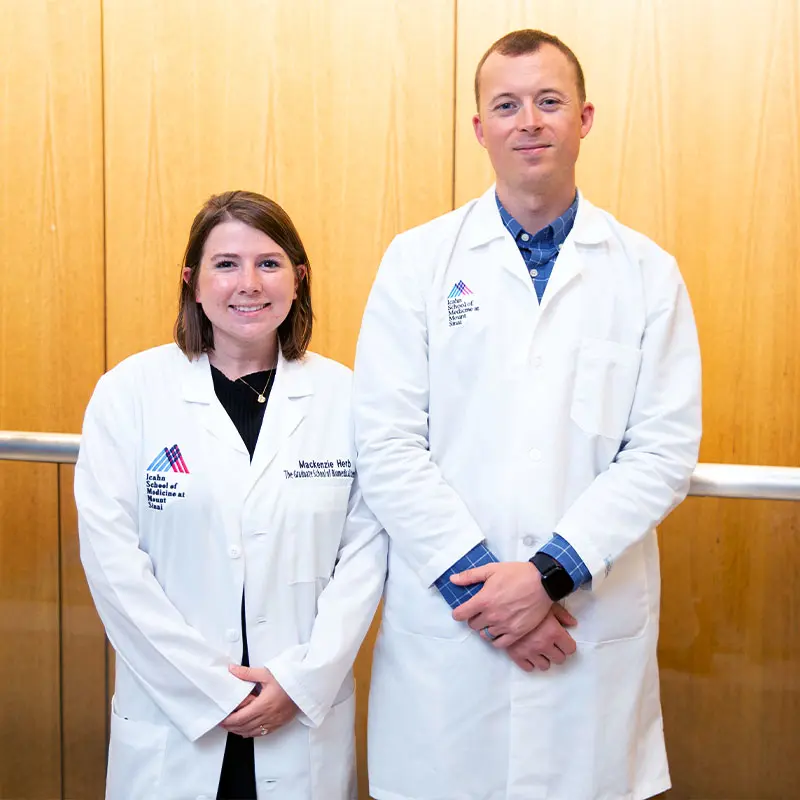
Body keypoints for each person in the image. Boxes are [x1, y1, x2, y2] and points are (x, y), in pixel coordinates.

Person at [353, 29, 701, 800]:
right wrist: (487, 598)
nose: (529, 120)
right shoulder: (417, 263)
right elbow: (385, 445)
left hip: (584, 629)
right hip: (453, 638)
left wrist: (548, 575)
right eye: (506, 105)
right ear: (480, 128)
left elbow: (663, 451)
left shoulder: (648, 274)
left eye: (549, 101)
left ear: (585, 117)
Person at [75, 190, 386, 799]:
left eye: (268, 264)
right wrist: (209, 691)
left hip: (299, 713)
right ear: (193, 282)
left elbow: (367, 554)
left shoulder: (348, 400)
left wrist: (299, 682)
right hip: (175, 718)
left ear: (299, 280)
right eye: (226, 264)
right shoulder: (129, 394)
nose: (248, 283)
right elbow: (114, 566)